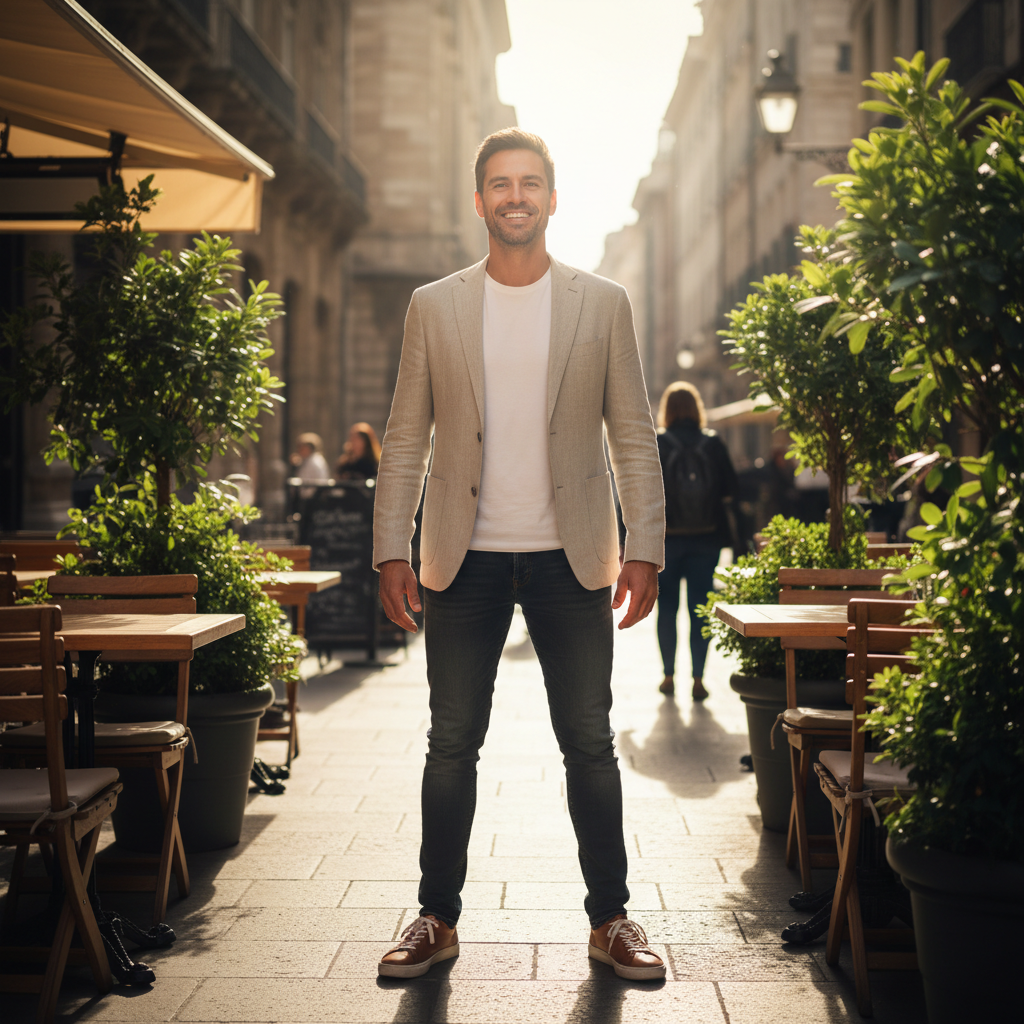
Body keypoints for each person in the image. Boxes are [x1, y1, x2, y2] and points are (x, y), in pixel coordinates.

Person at [372, 128, 666, 982]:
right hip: (461, 558)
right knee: (450, 743)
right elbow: (403, 437)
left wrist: (643, 544)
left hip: (569, 557)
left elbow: (634, 437)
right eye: (499, 184)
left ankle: (610, 920)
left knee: (589, 741)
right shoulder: (434, 304)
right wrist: (393, 544)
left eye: (529, 182)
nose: (514, 196)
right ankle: (437, 917)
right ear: (479, 200)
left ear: (551, 197)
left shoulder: (600, 302)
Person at [655, 382, 738, 701]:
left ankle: (667, 675)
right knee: (700, 609)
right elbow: (731, 488)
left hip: (667, 540)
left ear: (668, 410)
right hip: (707, 538)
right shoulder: (713, 444)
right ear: (697, 409)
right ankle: (699, 678)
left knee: (667, 609)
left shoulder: (660, 443)